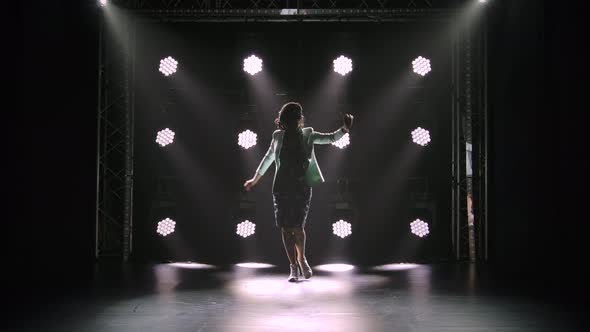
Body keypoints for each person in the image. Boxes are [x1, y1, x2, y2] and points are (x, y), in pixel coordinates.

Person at [244, 102, 354, 282]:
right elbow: (268, 158)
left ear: (299, 120)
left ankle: (302, 259)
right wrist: (254, 179)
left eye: (297, 118)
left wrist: (344, 129)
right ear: (285, 121)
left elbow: (330, 138)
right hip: (281, 188)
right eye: (291, 119)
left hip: (301, 187)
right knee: (286, 229)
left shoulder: (308, 134)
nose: (295, 121)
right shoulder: (277, 136)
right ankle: (293, 267)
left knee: (298, 227)